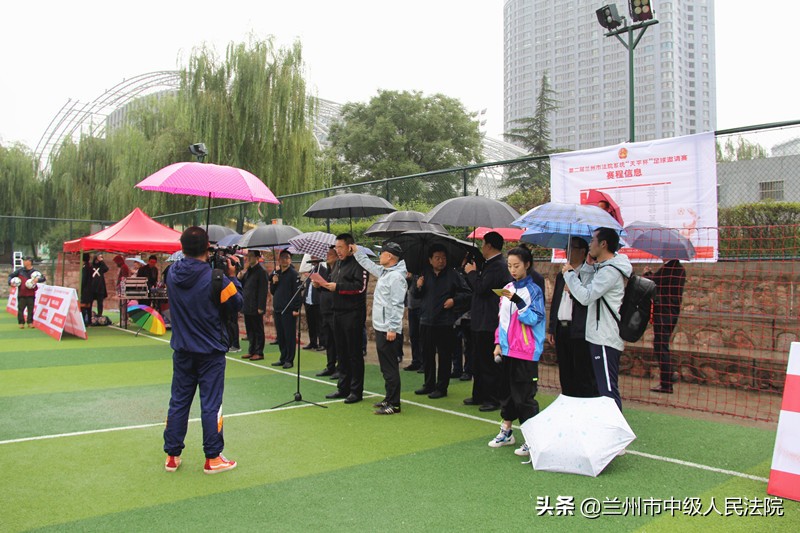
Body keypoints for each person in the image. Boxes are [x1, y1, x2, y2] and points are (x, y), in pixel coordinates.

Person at [163, 226, 242, 474]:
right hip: (210, 352)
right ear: (207, 248)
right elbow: (237, 303)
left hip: (183, 349)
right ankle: (213, 457)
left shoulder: (172, 273)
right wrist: (233, 276)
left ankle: (172, 455)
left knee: (179, 402)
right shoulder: (216, 278)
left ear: (182, 247)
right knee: (211, 404)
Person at [563, 227, 632, 411]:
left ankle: (616, 433)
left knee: (608, 389)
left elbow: (585, 297)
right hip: (597, 336)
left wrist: (569, 275)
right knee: (603, 388)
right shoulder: (602, 268)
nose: (590, 244)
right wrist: (586, 267)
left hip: (605, 337)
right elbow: (586, 286)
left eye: (593, 240)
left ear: (603, 244)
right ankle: (607, 429)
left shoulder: (610, 271)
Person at [487, 246, 546, 457]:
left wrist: (519, 303)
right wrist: (498, 343)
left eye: (517, 265)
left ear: (527, 264)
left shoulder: (535, 290)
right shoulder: (506, 288)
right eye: (509, 265)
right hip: (507, 351)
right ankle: (506, 431)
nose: (512, 269)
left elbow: (533, 319)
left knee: (524, 397)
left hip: (526, 351)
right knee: (506, 394)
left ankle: (533, 439)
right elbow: (501, 320)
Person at [353, 241, 408, 414]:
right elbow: (369, 266)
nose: (379, 256)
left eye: (381, 253)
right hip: (381, 326)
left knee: (390, 367)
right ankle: (389, 398)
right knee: (385, 367)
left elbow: (397, 304)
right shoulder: (385, 272)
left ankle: (394, 404)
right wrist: (357, 252)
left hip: (388, 329)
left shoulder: (396, 277)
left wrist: (392, 328)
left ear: (389, 256)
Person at [413, 244, 471, 399]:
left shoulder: (453, 275)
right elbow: (415, 296)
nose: (441, 261)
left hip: (445, 322)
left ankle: (441, 387)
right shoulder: (424, 274)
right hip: (426, 320)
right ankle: (428, 384)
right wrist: (418, 286)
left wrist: (454, 300)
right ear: (430, 260)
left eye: (443, 258)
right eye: (437, 258)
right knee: (427, 354)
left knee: (445, 356)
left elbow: (467, 293)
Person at [463, 231, 512, 412]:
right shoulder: (488, 265)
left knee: (488, 361)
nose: (482, 247)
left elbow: (481, 288)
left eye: (483, 244)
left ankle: (492, 398)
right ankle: (479, 394)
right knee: (477, 359)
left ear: (490, 246)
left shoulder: (498, 266)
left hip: (489, 320)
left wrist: (472, 273)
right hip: (480, 319)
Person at [323, 233, 369, 404]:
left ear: (350, 247)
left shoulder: (359, 263)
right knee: (341, 353)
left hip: (353, 314)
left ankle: (356, 391)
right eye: (336, 248)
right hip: (337, 312)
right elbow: (333, 283)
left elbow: (360, 287)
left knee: (354, 353)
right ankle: (343, 387)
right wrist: (323, 285)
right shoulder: (337, 265)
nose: (337, 251)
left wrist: (338, 287)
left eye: (340, 247)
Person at [548, 237, 597, 397]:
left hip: (579, 329)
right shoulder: (562, 275)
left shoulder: (588, 275)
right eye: (566, 247)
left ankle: (583, 399)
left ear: (583, 252)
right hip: (561, 328)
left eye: (572, 248)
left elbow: (587, 300)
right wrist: (552, 327)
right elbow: (555, 301)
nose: (568, 251)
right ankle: (567, 397)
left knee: (581, 368)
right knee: (565, 368)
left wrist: (574, 290)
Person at [645, 259, 687, 394]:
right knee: (661, 344)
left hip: (664, 313)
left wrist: (647, 273)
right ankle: (668, 376)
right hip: (672, 313)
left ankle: (667, 381)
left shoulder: (669, 269)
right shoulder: (680, 269)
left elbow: (652, 282)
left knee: (661, 345)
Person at [269, 250, 302, 369]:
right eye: (282, 258)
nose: (285, 260)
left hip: (289, 309)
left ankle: (289, 359)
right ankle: (283, 357)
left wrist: (296, 308)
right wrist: (274, 282)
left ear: (290, 260)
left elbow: (298, 293)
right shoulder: (277, 274)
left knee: (289, 335)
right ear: (279, 260)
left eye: (287, 258)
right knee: (281, 335)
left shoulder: (293, 274)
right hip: (278, 308)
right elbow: (273, 291)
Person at [314, 247, 338, 377]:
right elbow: (325, 289)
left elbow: (336, 288)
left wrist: (325, 286)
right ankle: (330, 365)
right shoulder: (327, 270)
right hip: (325, 309)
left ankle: (340, 367)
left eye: (330, 254)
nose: (327, 256)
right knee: (328, 340)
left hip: (335, 309)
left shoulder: (339, 270)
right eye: (327, 254)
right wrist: (318, 286)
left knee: (337, 340)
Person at [239, 250, 268, 361]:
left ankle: (259, 351)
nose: (248, 258)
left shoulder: (261, 271)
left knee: (257, 329)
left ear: (257, 258)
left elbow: (263, 291)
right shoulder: (248, 271)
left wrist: (261, 307)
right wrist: (240, 277)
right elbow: (244, 286)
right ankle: (251, 350)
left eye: (251, 256)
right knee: (250, 329)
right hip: (247, 304)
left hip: (256, 305)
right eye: (247, 256)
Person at [8, 256, 46, 329]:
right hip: (21, 293)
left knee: (30, 309)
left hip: (31, 293)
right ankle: (21, 323)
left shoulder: (35, 272)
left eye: (25, 261)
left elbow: (43, 278)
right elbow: (10, 276)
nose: (24, 262)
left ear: (29, 262)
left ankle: (30, 322)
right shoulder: (20, 271)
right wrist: (10, 282)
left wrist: (37, 280)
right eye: (23, 261)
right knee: (20, 309)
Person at [403, 272, 424, 372]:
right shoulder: (411, 273)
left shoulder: (423, 273)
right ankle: (416, 361)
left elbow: (418, 292)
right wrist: (409, 278)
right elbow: (405, 287)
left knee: (422, 336)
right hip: (412, 307)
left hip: (421, 307)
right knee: (413, 335)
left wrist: (418, 284)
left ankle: (424, 362)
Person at [302, 258, 325, 351]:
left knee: (320, 324)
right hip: (309, 301)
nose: (312, 259)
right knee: (311, 324)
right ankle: (313, 342)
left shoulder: (323, 271)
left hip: (318, 301)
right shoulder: (311, 271)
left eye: (314, 257)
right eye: (311, 257)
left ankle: (322, 343)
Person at [88, 253, 109, 320]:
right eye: (99, 257)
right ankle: (89, 315)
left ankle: (100, 314)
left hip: (100, 287)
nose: (100, 258)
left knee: (100, 302)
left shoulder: (101, 265)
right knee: (90, 302)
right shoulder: (91, 266)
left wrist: (101, 261)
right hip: (92, 287)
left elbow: (106, 269)